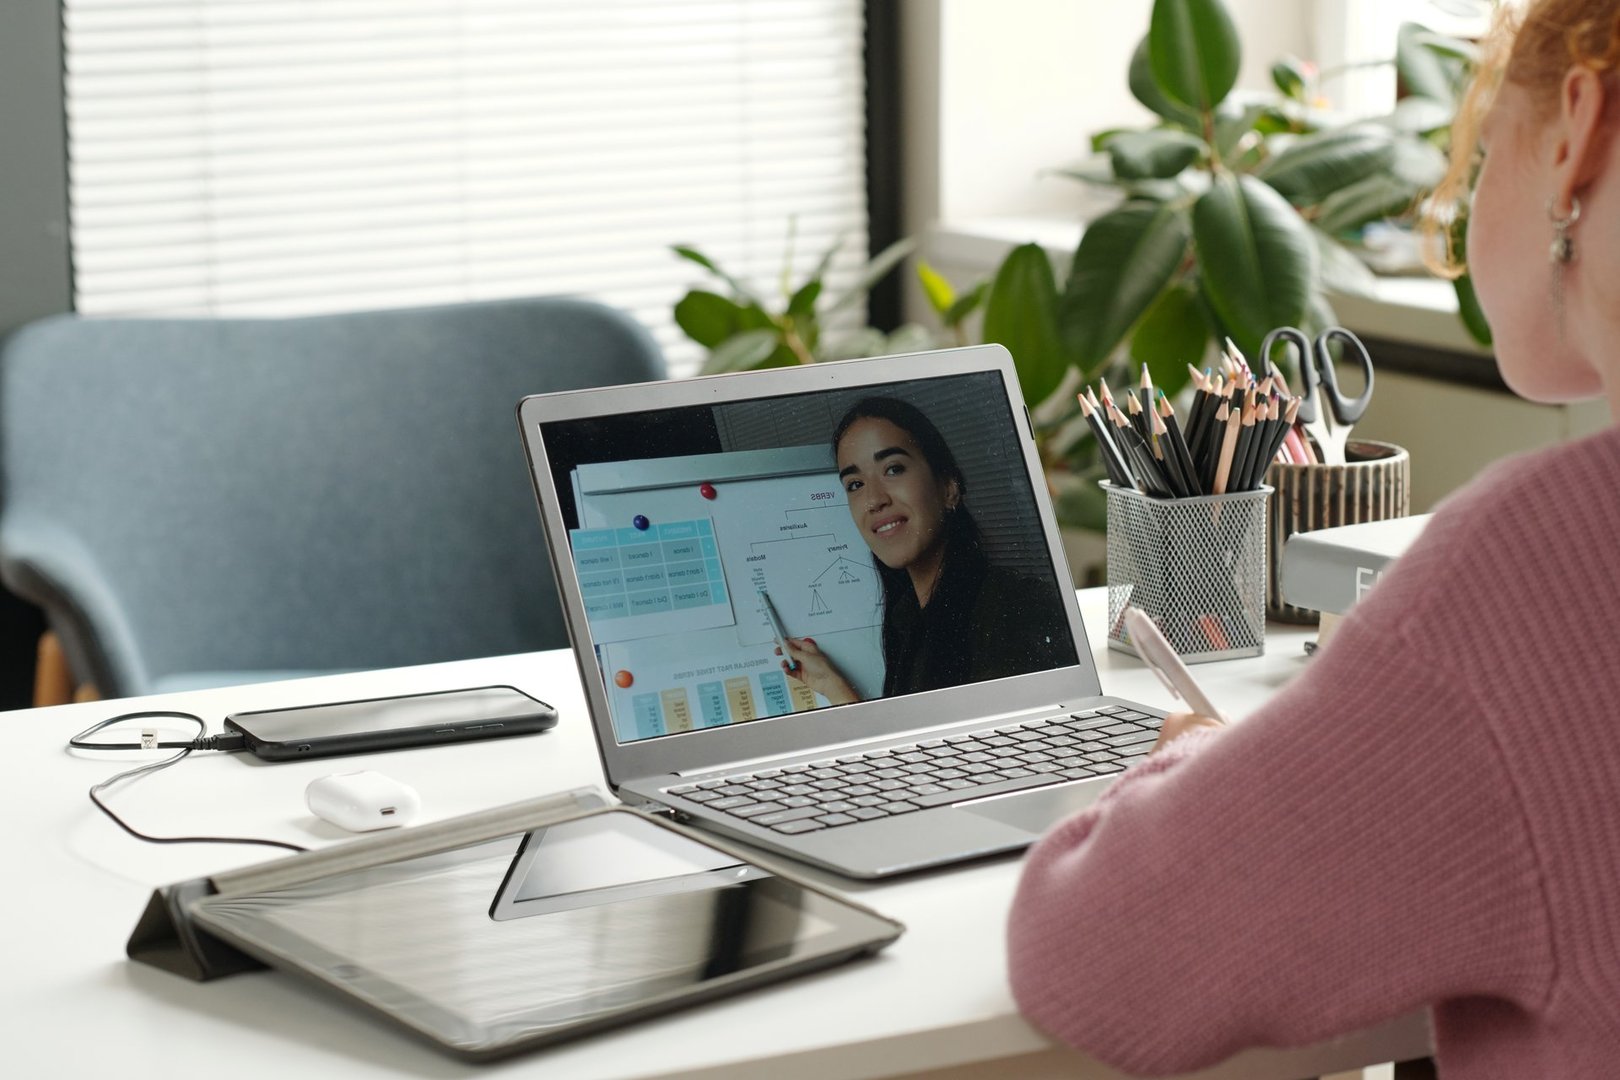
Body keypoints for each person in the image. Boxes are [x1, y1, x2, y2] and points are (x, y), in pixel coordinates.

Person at [1006, 2, 1620, 1076]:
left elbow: (1097, 959)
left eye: (1474, 159)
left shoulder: (1539, 569)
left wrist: (1200, 759)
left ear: (1573, 135)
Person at [778, 396, 1068, 704]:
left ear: (948, 488)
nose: (874, 500)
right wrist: (833, 685)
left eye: (893, 469)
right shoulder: (908, 619)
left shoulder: (1017, 610)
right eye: (855, 484)